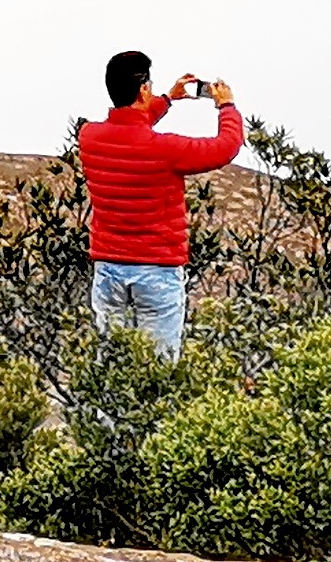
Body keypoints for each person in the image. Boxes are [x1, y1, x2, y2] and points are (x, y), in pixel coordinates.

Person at [75, 48, 246, 360]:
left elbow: (128, 127)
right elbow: (225, 147)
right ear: (143, 89)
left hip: (108, 269)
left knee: (108, 370)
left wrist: (167, 99)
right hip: (157, 270)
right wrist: (227, 106)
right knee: (159, 372)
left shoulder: (89, 137)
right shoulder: (165, 149)